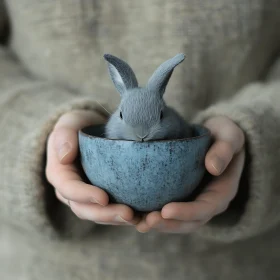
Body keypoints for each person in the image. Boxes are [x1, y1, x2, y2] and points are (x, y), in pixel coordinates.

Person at [1, 1, 280, 279]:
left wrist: (258, 134)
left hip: (242, 263)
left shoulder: (177, 125)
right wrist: (39, 136)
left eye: (157, 120)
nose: (142, 135)